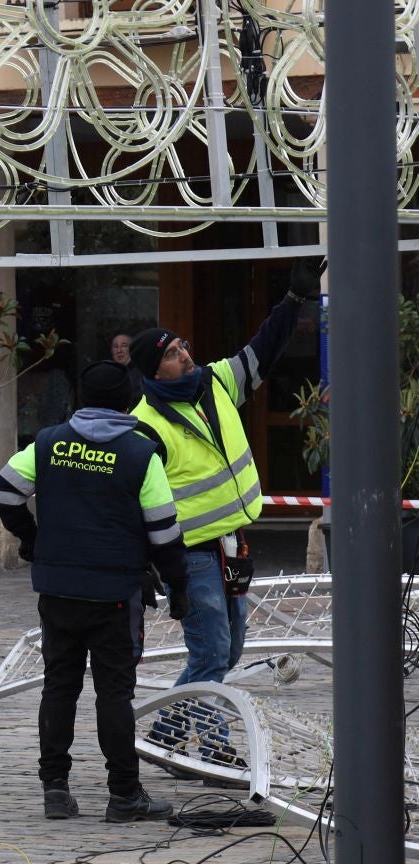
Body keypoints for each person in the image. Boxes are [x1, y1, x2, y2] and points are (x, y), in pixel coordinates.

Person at [126, 257, 321, 755]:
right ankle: (213, 748)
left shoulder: (214, 382)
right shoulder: (143, 424)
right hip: (190, 555)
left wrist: (295, 300)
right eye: (172, 354)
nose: (186, 356)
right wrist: (146, 564)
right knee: (211, 652)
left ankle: (165, 736)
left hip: (230, 547)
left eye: (184, 346)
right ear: (154, 370)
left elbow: (263, 351)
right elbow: (130, 502)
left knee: (229, 649)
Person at [0, 362, 191, 822]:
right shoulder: (141, 454)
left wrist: (32, 537)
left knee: (59, 686)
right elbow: (163, 531)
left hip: (58, 589)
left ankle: (55, 790)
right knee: (114, 694)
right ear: (128, 401)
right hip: (115, 593)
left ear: (78, 398)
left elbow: (3, 492)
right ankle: (124, 795)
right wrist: (179, 585)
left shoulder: (47, 443)